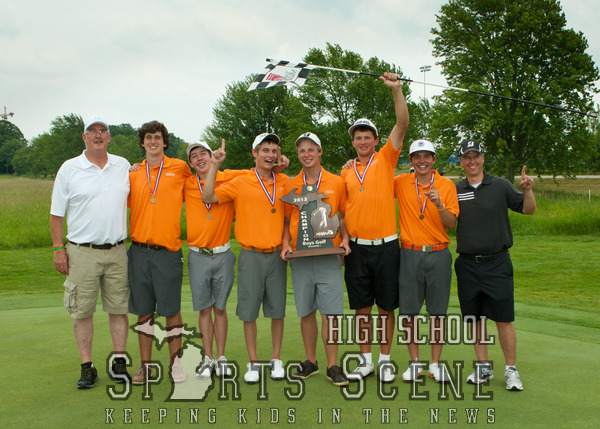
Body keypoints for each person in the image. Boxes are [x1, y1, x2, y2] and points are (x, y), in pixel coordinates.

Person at [50, 116, 131, 389]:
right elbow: (56, 215)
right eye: (92, 131)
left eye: (102, 131)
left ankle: (119, 362)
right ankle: (87, 367)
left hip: (117, 250)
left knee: (118, 309)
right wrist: (58, 249)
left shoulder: (123, 165)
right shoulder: (69, 168)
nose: (98, 135)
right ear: (84, 138)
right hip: (81, 251)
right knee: (82, 311)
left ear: (109, 137)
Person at [202, 134, 290, 384]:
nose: (270, 155)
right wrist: (215, 165)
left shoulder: (284, 181)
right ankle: (253, 362)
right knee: (249, 312)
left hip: (277, 255)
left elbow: (287, 217)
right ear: (255, 153)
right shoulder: (240, 182)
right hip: (250, 255)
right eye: (265, 150)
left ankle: (275, 359)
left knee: (277, 311)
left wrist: (286, 243)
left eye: (274, 150)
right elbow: (208, 197)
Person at [341, 72, 409, 383]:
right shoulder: (345, 171)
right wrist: (343, 240)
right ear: (353, 142)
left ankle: (384, 360)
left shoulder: (386, 159)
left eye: (367, 136)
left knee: (385, 308)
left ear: (376, 140)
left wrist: (396, 90)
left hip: (386, 247)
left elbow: (402, 124)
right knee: (362, 308)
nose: (363, 141)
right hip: (356, 248)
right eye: (358, 137)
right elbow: (341, 212)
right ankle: (365, 360)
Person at [454, 139, 536, 391]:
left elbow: (529, 210)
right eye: (467, 157)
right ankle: (483, 367)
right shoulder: (455, 189)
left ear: (483, 158)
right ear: (461, 161)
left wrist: (528, 190)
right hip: (467, 264)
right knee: (476, 319)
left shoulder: (500, 185)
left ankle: (511, 369)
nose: (472, 161)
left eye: (476, 156)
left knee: (503, 318)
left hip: (497, 263)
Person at [280, 132, 351, 387]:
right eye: (302, 150)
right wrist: (285, 244)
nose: (306, 154)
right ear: (298, 154)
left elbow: (342, 215)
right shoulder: (291, 184)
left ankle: (333, 365)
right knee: (307, 311)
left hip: (328, 256)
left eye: (311, 149)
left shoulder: (336, 181)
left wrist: (346, 239)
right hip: (301, 257)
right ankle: (311, 361)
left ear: (319, 152)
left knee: (330, 313)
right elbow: (286, 220)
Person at [128, 120, 192, 385]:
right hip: (139, 251)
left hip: (168, 251)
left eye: (157, 137)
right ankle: (145, 367)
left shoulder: (179, 167)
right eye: (148, 138)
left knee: (171, 310)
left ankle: (176, 364)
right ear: (142, 143)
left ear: (165, 142)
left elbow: (203, 181)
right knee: (144, 312)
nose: (153, 141)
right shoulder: (133, 173)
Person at [393, 139, 459, 383]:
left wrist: (439, 205)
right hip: (409, 253)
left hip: (439, 254)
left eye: (427, 156)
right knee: (409, 313)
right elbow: (374, 183)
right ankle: (415, 364)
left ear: (433, 159)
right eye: (417, 157)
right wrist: (351, 164)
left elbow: (451, 224)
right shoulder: (401, 182)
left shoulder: (446, 185)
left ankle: (435, 364)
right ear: (411, 160)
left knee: (437, 313)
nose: (422, 161)